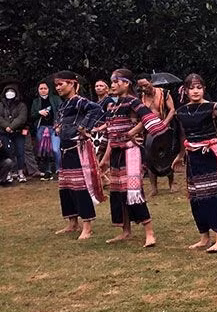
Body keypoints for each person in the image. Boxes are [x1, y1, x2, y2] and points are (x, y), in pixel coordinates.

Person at [172, 74, 217, 253]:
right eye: (191, 88)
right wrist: (180, 155)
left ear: (204, 89)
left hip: (209, 155)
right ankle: (204, 237)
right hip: (192, 158)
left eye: (199, 87)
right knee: (196, 197)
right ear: (186, 91)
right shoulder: (181, 111)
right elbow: (183, 134)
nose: (195, 91)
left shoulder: (212, 107)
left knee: (212, 195)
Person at [99, 68, 168, 248]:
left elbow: (152, 119)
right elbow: (111, 135)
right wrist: (105, 159)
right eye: (112, 82)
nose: (113, 85)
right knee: (118, 193)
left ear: (126, 83)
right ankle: (125, 230)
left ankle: (149, 233)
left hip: (131, 153)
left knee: (134, 191)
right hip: (116, 154)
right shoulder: (112, 106)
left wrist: (133, 132)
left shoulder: (133, 102)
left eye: (116, 82)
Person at [52, 71, 105, 239]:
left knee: (80, 186)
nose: (58, 88)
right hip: (65, 147)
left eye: (61, 84)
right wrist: (57, 126)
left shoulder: (80, 101)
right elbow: (59, 120)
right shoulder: (63, 105)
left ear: (72, 84)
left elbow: (97, 109)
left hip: (77, 148)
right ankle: (72, 222)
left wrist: (83, 127)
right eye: (56, 85)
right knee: (66, 187)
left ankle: (87, 226)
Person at [137, 73, 177, 196]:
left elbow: (172, 110)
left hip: (165, 129)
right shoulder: (140, 98)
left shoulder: (164, 93)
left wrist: (164, 123)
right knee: (150, 158)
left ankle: (171, 183)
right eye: (141, 87)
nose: (144, 88)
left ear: (151, 82)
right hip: (149, 130)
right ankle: (154, 187)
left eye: (145, 85)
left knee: (167, 156)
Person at [31, 81, 63, 179]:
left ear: (49, 89)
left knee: (55, 149)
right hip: (41, 128)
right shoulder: (35, 101)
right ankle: (47, 170)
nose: (43, 90)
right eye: (41, 88)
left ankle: (59, 169)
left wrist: (59, 125)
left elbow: (62, 112)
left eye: (45, 88)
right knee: (45, 150)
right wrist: (39, 113)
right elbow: (32, 116)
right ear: (38, 90)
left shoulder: (56, 99)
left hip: (54, 127)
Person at [0, 82, 28, 183]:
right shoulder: (1, 105)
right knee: (8, 152)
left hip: (18, 132)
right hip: (4, 133)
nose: (10, 93)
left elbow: (22, 118)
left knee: (20, 152)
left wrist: (11, 127)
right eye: (8, 91)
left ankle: (20, 173)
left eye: (12, 91)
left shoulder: (21, 105)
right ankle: (9, 173)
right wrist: (6, 127)